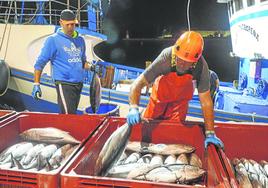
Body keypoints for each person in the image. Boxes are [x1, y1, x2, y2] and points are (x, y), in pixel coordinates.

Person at [127, 31, 224, 149]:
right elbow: (137, 84)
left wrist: (210, 133)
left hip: (180, 103)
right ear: (176, 52)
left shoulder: (201, 67)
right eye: (180, 60)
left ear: (195, 61)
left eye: (187, 62)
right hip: (159, 98)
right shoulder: (165, 57)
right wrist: (133, 107)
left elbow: (206, 101)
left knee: (174, 132)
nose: (182, 65)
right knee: (149, 125)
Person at [32, 9, 93, 114]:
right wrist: (36, 84)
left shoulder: (80, 40)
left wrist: (91, 67)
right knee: (68, 115)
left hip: (78, 84)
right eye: (67, 24)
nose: (70, 27)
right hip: (64, 83)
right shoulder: (53, 40)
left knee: (71, 114)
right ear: (61, 23)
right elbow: (39, 63)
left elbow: (82, 62)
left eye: (73, 24)